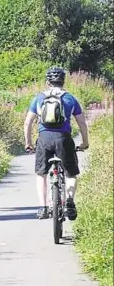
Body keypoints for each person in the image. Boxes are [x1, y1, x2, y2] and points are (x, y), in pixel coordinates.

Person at [24, 67, 89, 220]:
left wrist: (28, 143)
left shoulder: (39, 98)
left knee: (41, 174)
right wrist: (85, 142)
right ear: (63, 81)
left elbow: (28, 123)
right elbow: (82, 123)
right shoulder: (70, 99)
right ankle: (70, 202)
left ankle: (43, 207)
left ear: (48, 82)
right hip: (64, 139)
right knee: (71, 173)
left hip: (44, 139)